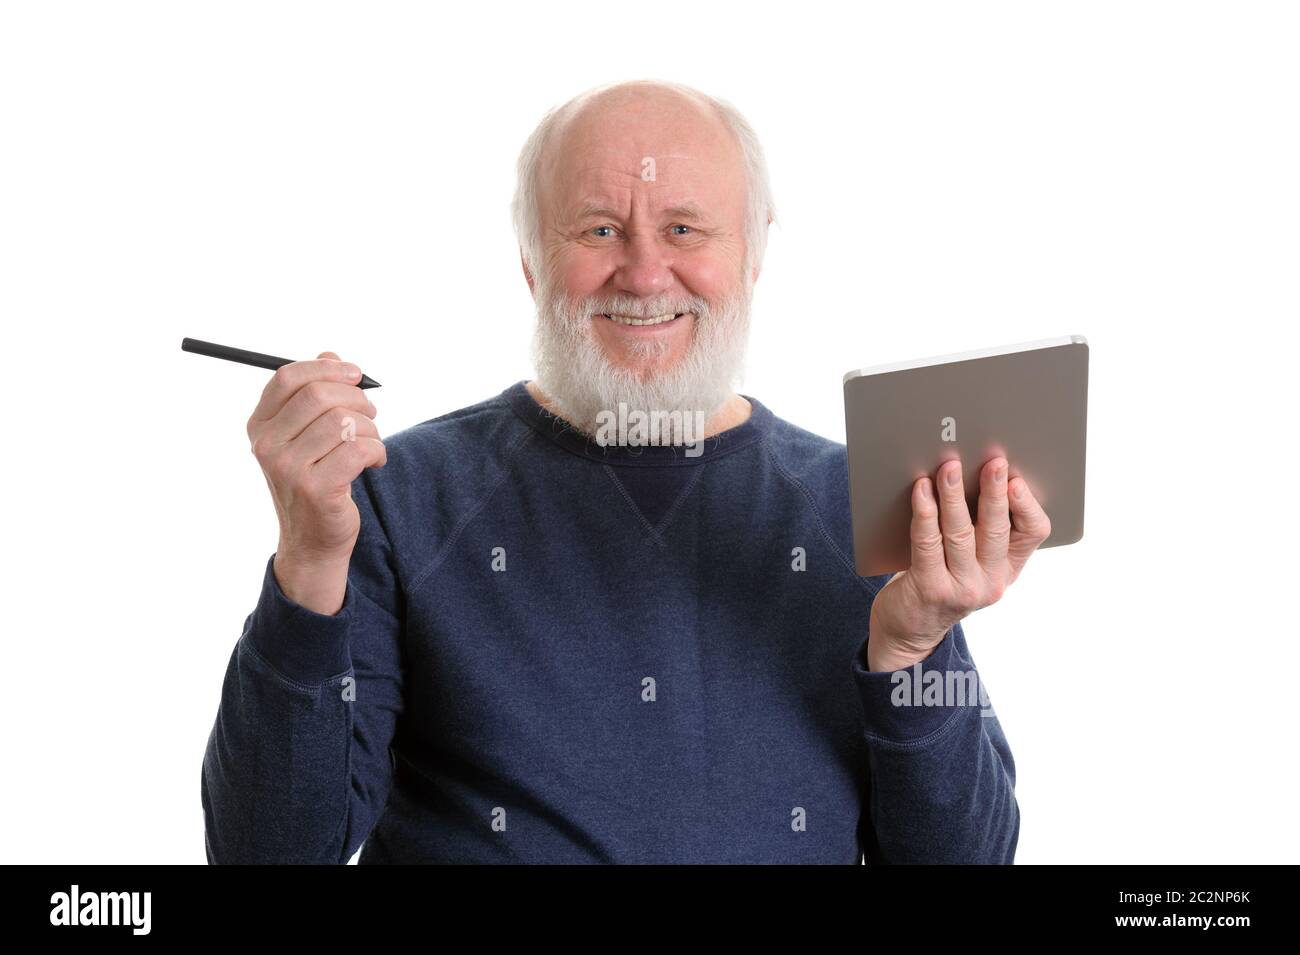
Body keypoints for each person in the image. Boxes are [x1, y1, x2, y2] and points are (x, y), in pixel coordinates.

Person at [201, 79, 1051, 864]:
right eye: (599, 228)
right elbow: (267, 851)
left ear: (752, 260)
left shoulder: (856, 504)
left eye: (684, 229)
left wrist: (910, 645)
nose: (644, 274)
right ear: (532, 262)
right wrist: (308, 565)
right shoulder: (397, 497)